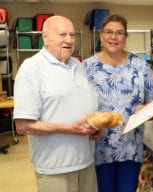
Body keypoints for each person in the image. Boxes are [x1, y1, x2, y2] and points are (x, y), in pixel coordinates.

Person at [13, 15, 103, 192]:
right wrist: (69, 129)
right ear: (45, 37)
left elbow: (82, 103)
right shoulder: (31, 68)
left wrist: (97, 124)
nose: (69, 40)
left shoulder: (78, 66)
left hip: (86, 161)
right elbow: (23, 125)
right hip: (56, 168)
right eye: (62, 34)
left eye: (72, 35)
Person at [83, 14, 153, 192]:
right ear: (101, 35)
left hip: (130, 148)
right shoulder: (86, 68)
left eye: (119, 33)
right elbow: (77, 105)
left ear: (125, 37)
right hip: (98, 148)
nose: (113, 37)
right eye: (108, 32)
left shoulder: (141, 67)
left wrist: (146, 109)